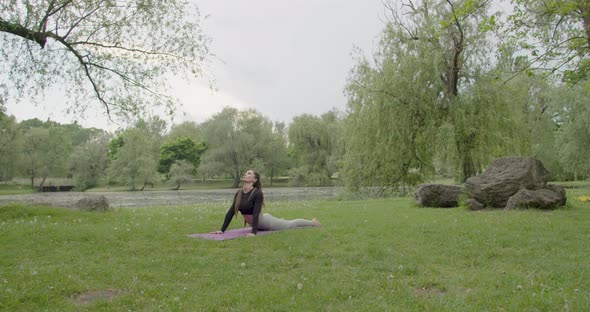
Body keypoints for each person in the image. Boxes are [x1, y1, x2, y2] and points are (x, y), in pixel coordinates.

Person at [210, 170, 321, 237]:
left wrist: (253, 232)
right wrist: (222, 230)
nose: (245, 174)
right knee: (285, 224)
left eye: (249, 173)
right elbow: (230, 212)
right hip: (257, 225)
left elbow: (256, 212)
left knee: (290, 225)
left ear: (254, 179)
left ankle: (313, 222)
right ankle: (280, 221)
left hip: (265, 222)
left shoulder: (257, 193)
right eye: (245, 173)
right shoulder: (238, 193)